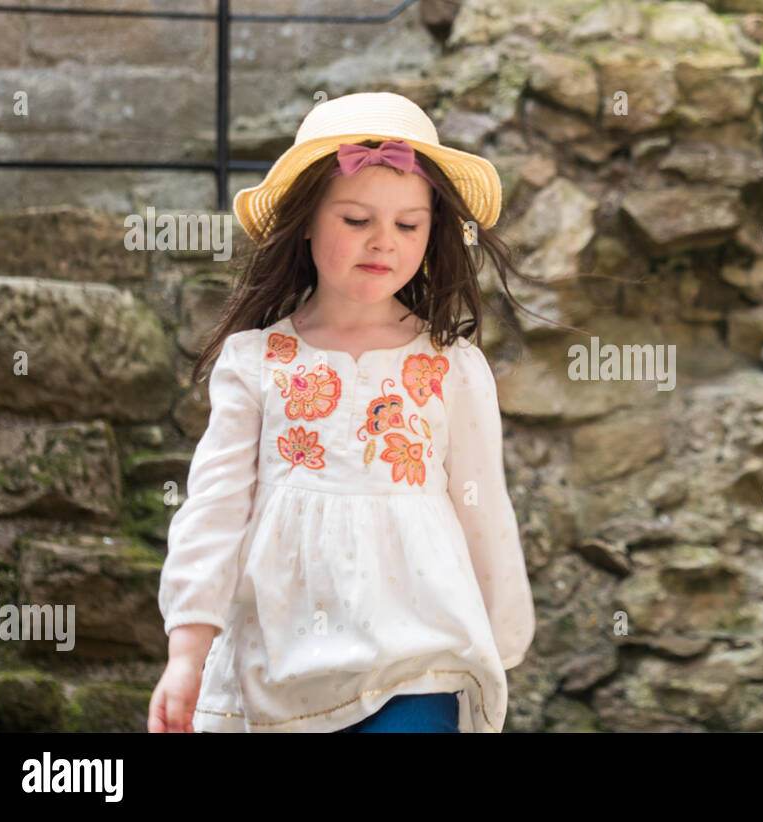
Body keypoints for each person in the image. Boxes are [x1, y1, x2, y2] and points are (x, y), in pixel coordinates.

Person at [147, 92, 583, 733]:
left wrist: (501, 634)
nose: (384, 242)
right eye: (356, 219)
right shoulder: (255, 362)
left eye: (409, 225)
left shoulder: (452, 365)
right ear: (304, 221)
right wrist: (187, 651)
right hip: (279, 660)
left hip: (420, 654)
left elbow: (482, 504)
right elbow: (214, 511)